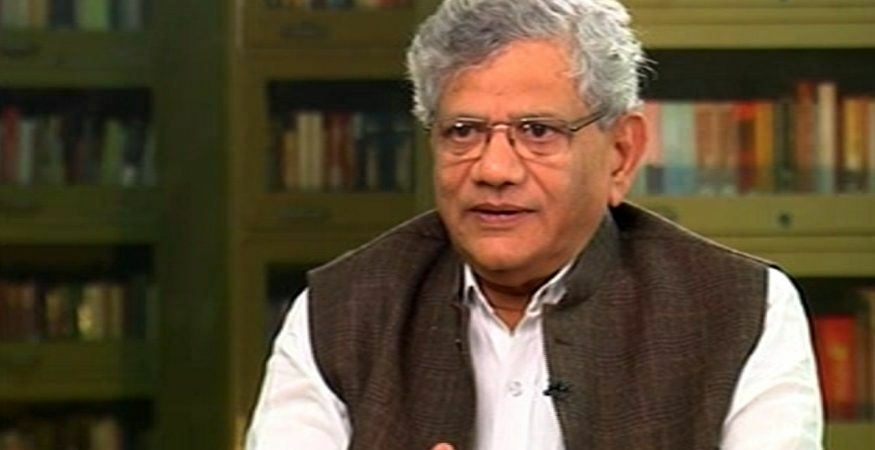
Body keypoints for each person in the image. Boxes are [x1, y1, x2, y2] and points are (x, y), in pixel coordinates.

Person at [245, 1, 823, 449]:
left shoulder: (743, 307)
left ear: (621, 153)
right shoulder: (338, 311)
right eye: (463, 132)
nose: (494, 170)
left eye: (538, 132)